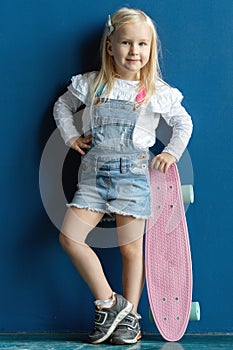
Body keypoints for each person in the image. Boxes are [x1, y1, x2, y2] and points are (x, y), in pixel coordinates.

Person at [53, 7, 193, 345]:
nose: (135, 51)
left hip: (132, 179)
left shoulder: (156, 90)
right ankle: (109, 302)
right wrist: (71, 137)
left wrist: (171, 152)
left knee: (131, 252)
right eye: (127, 43)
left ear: (151, 49)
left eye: (142, 44)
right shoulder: (91, 84)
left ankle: (130, 319)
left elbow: (183, 122)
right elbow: (62, 106)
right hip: (93, 179)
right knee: (70, 238)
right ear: (110, 45)